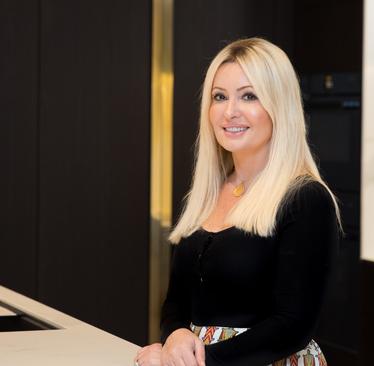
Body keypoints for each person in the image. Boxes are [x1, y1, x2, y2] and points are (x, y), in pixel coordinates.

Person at [134, 37, 340, 366]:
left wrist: (200, 362)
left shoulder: (306, 199)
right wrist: (174, 339)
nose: (230, 111)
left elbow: (292, 325)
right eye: (219, 97)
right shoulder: (208, 193)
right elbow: (176, 303)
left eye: (249, 95)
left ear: (278, 105)